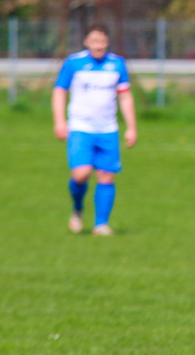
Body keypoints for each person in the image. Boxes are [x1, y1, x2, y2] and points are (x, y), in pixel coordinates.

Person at [52, 24, 137, 236]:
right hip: (81, 127)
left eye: (102, 42)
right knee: (81, 174)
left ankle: (101, 225)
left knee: (107, 175)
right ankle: (78, 208)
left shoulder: (117, 64)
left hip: (108, 129)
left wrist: (131, 127)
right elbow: (59, 91)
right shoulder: (74, 62)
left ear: (107, 43)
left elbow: (125, 96)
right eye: (94, 41)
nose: (98, 46)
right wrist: (60, 121)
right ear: (86, 42)